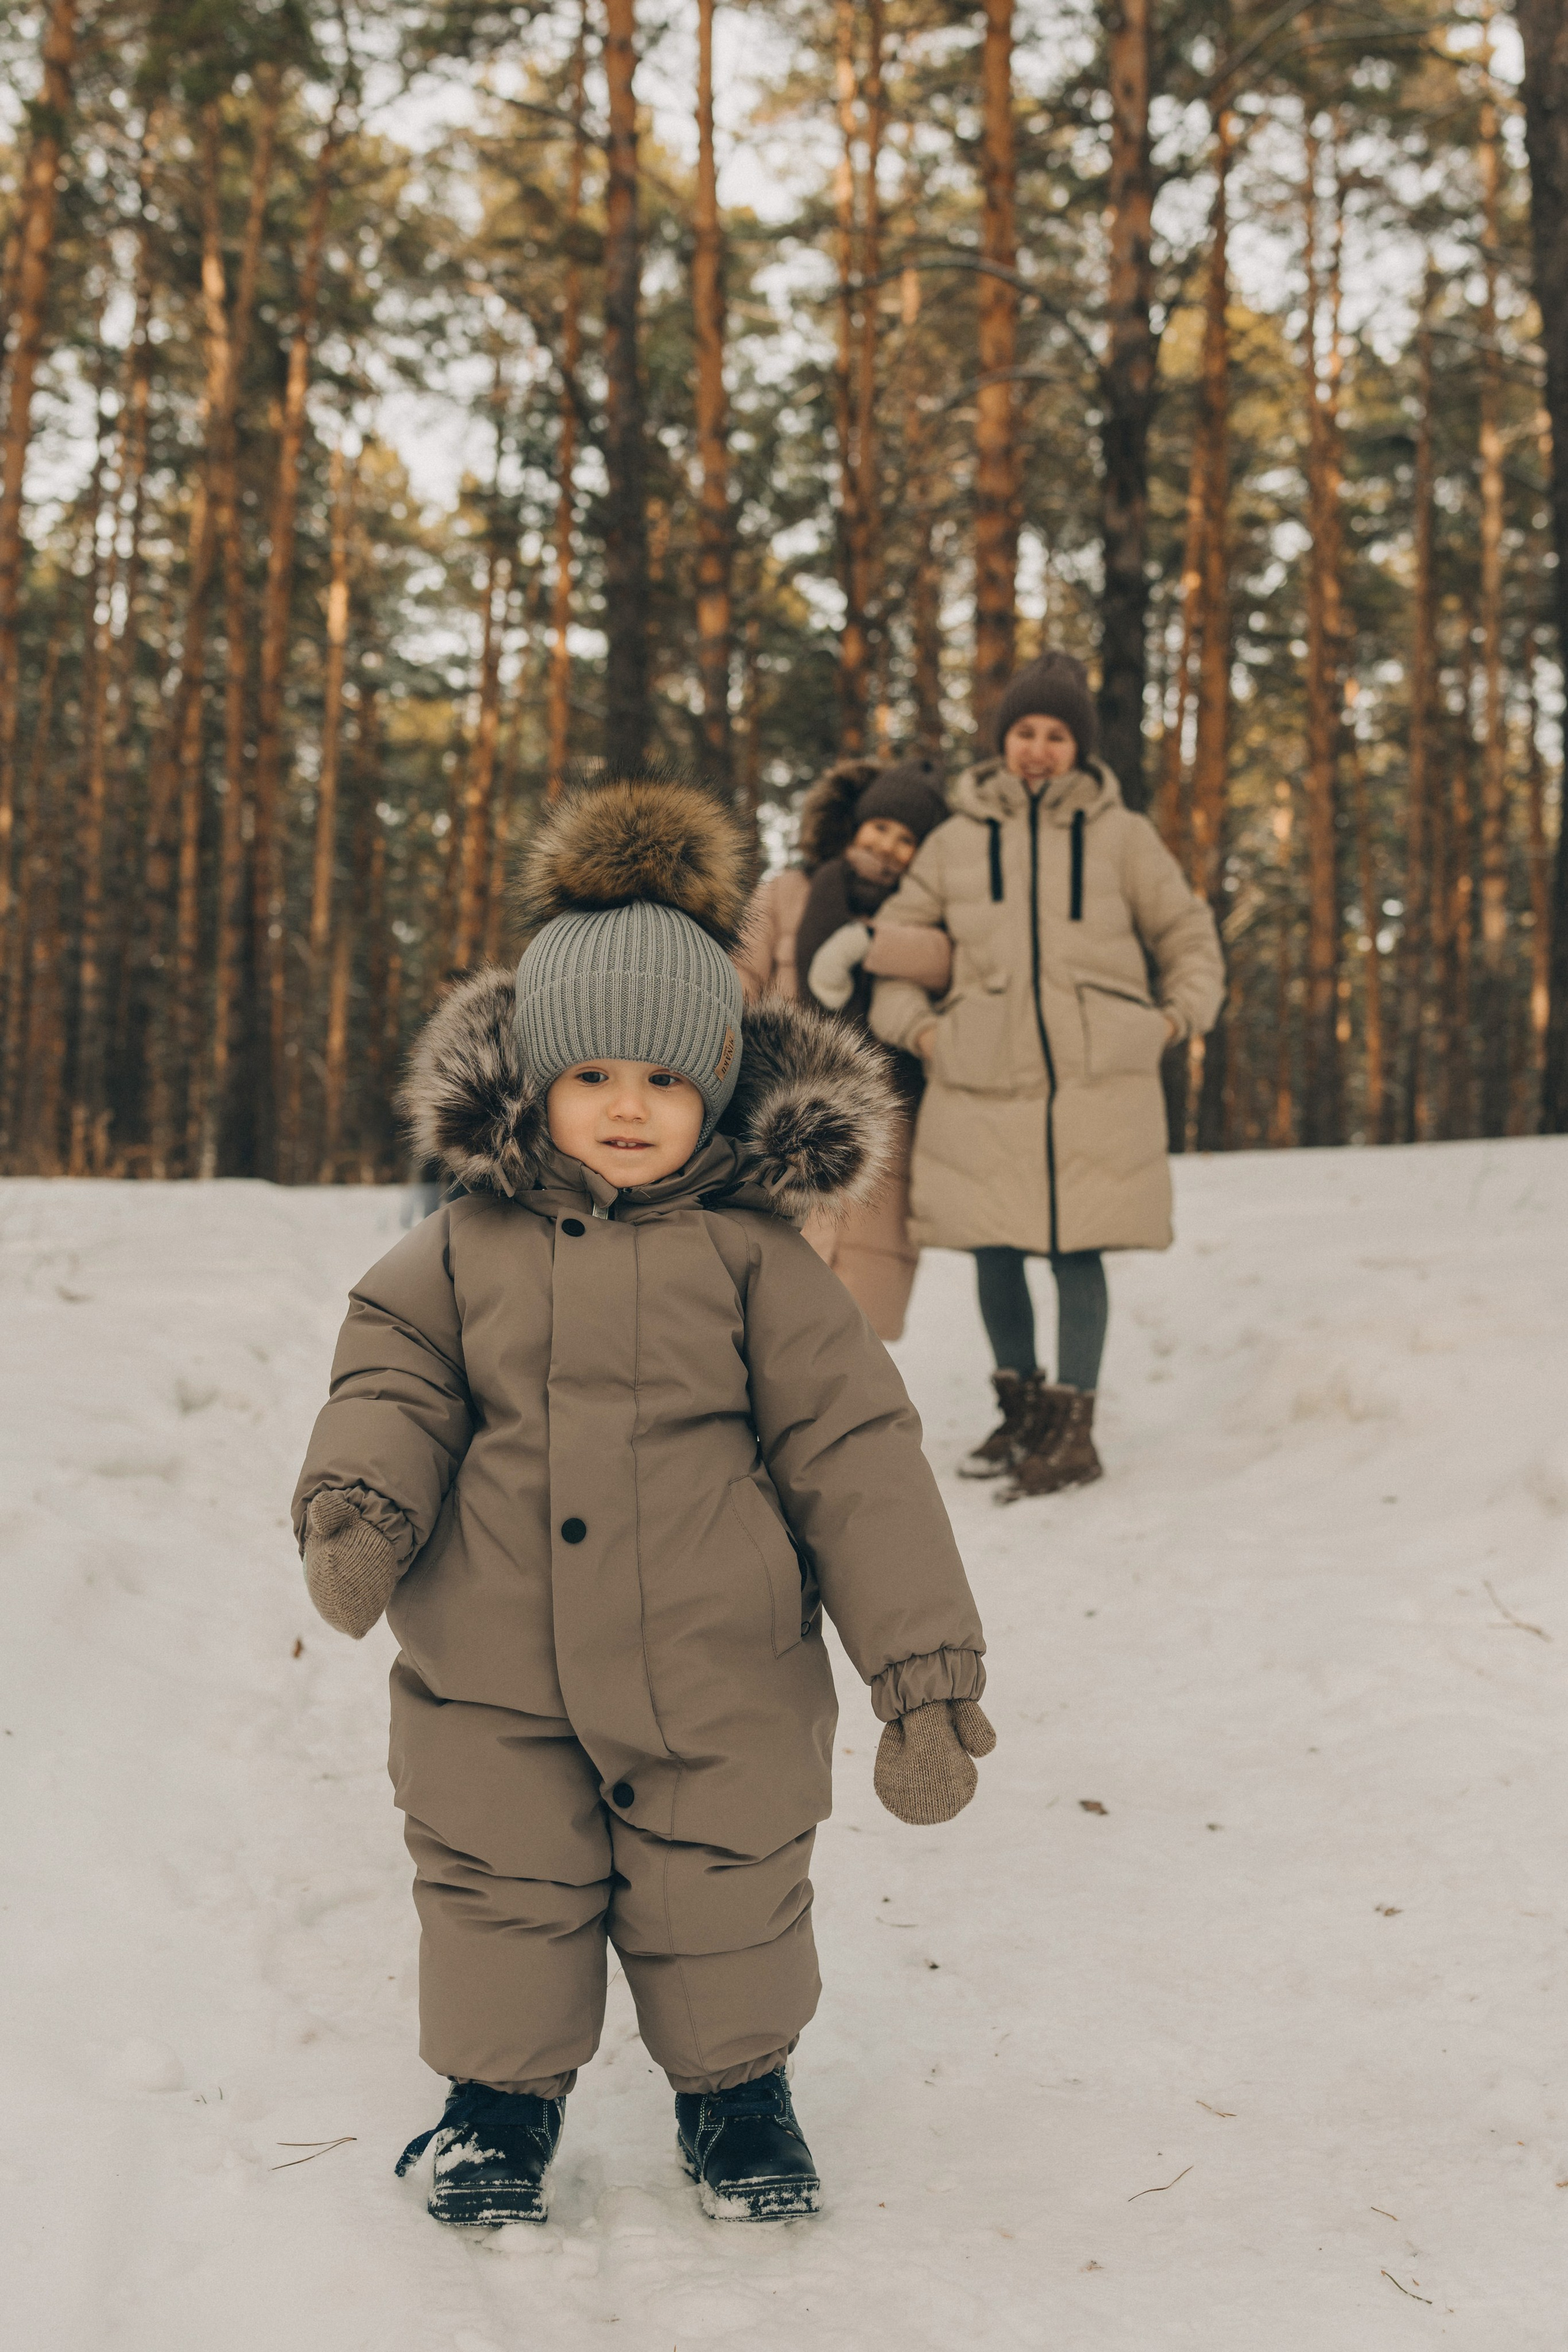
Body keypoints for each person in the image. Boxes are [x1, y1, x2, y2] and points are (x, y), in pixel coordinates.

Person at [291, 775, 992, 2231]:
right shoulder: (461, 1247)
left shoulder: (759, 1265)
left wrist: (919, 1671)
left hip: (717, 1664)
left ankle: (737, 2090)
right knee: (497, 1872)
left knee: (724, 1876)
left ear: (718, 1087)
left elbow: (858, 1459)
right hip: (495, 1658)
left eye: (666, 1080)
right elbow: (394, 1372)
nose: (627, 1105)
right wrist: (362, 1499)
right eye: (594, 1073)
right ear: (534, 1077)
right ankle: (496, 2101)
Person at [869, 653, 1224, 1498]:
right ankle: (1021, 1412)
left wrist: (1173, 1020)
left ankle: (1074, 1430)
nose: (1037, 749)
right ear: (1001, 741)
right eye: (1024, 731)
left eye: (1056, 735)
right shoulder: (955, 842)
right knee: (994, 1249)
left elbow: (1188, 936)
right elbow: (894, 954)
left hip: (1097, 1081)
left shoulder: (1123, 838)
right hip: (981, 1079)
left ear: (1079, 748)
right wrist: (924, 1033)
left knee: (1076, 1251)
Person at [736, 755, 952, 1340]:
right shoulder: (789, 892)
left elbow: (949, 963)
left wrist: (870, 942)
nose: (888, 847)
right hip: (778, 1110)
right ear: (855, 824)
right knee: (765, 1306)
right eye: (880, 827)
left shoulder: (925, 920)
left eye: (907, 839)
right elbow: (741, 977)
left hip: (883, 1126)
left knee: (852, 1323)